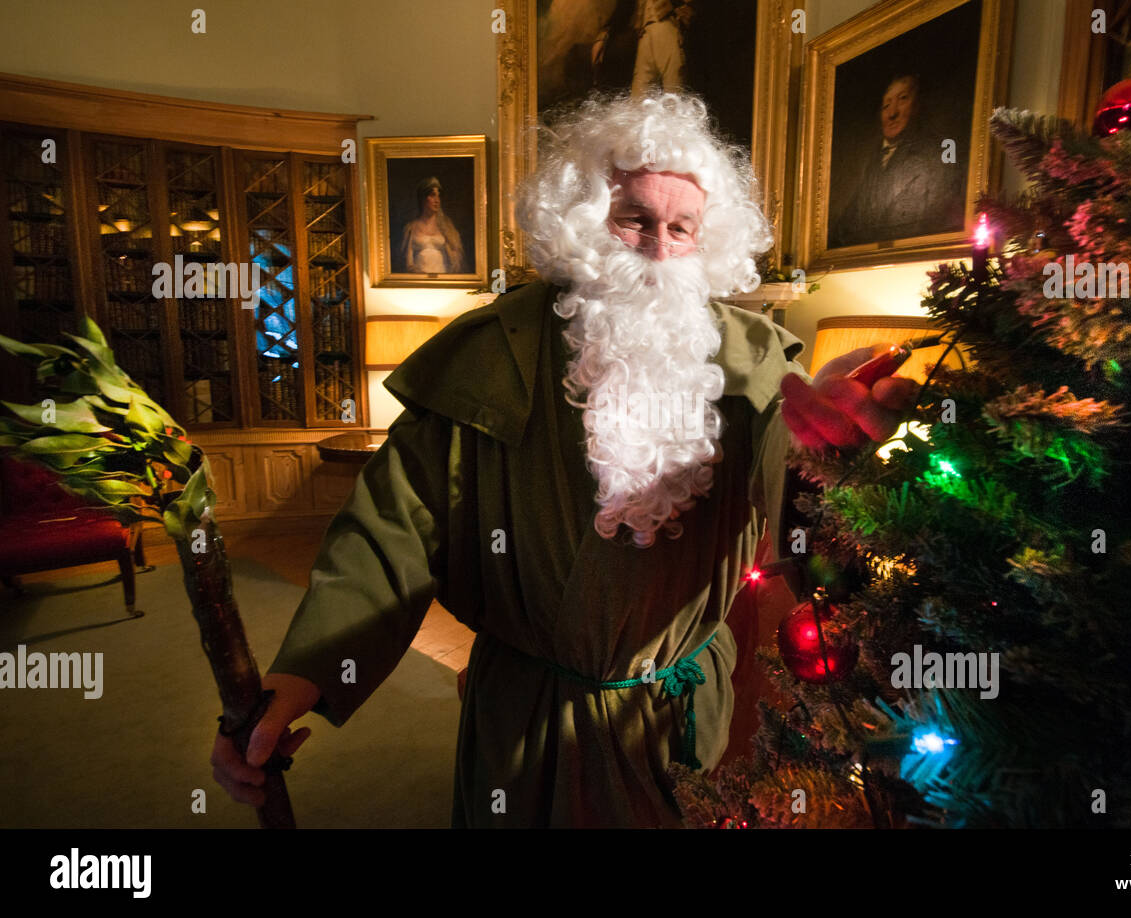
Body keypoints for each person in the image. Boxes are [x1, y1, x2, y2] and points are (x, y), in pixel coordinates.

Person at [210, 91, 918, 828]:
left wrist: (822, 445)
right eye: (635, 219)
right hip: (528, 720)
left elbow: (787, 484)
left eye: (683, 228)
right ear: (582, 223)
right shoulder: (489, 353)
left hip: (682, 719)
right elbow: (393, 532)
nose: (658, 247)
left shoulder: (757, 358)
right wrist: (306, 671)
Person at [828, 74, 965, 248]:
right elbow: (847, 224)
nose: (892, 113)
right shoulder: (873, 161)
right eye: (886, 105)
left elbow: (947, 216)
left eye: (903, 99)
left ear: (918, 105)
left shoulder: (944, 149)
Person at [592, 0, 693, 97]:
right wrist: (605, 34)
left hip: (670, 30)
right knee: (639, 100)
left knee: (674, 95)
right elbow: (624, 9)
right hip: (645, 35)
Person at [400, 176, 467, 274]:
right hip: (418, 280)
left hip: (443, 279)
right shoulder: (411, 228)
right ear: (423, 198)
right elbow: (407, 262)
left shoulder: (446, 228)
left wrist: (454, 257)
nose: (437, 200)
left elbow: (455, 260)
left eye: (438, 196)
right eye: (432, 195)